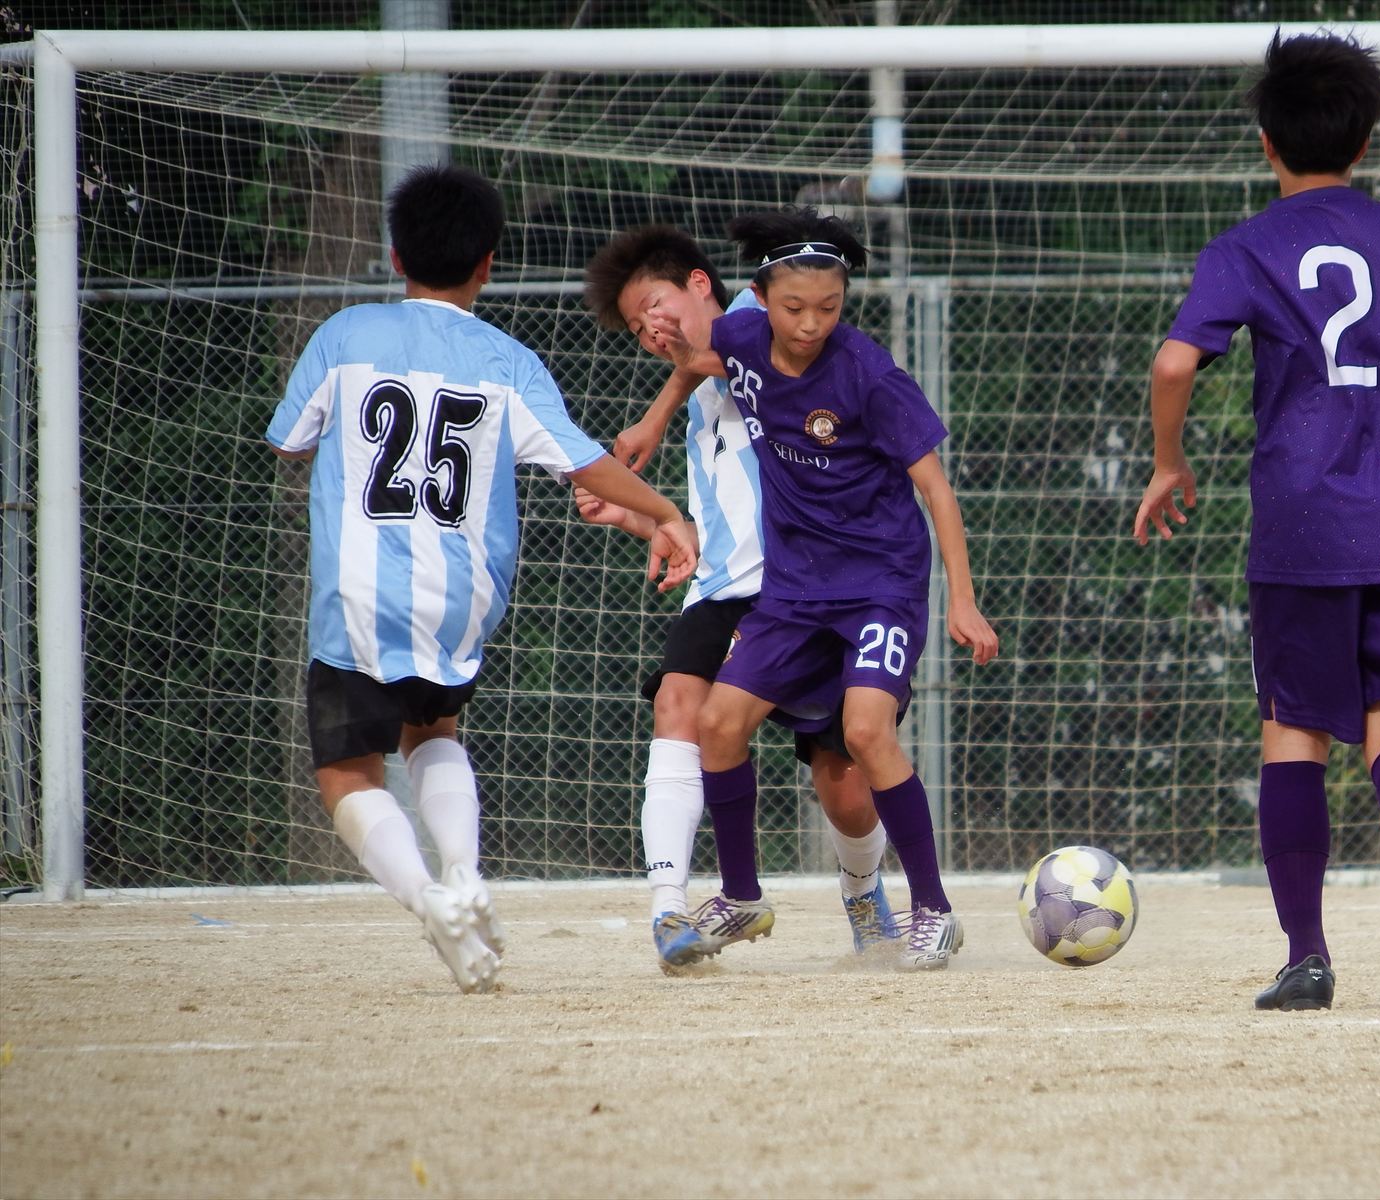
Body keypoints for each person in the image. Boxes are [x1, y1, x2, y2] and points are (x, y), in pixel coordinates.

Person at [1132, 32, 1380, 1011]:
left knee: (1293, 731)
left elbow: (1174, 363)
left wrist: (1169, 461)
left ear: (1267, 142)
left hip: (1305, 526)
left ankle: (1306, 956)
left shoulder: (1249, 245)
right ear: (1365, 139)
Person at [265, 165, 697, 993]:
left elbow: (290, 440)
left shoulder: (344, 334)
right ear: (488, 265)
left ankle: (428, 897)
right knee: (434, 732)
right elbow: (583, 463)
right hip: (459, 597)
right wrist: (665, 511)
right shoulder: (508, 361)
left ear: (396, 256)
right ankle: (463, 872)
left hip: (358, 595)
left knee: (347, 773)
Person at [654, 206, 1000, 972]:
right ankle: (742, 897)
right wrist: (654, 414)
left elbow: (937, 490)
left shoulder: (869, 375)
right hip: (794, 591)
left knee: (866, 734)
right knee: (717, 723)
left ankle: (934, 911)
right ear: (760, 298)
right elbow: (700, 359)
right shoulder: (742, 337)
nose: (811, 323)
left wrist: (962, 599)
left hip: (881, 586)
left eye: (829, 307)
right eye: (794, 308)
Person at [579, 225, 899, 970]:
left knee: (844, 781)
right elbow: (710, 532)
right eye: (636, 328)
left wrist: (655, 411)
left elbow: (718, 352)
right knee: (677, 705)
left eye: (654, 307)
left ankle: (863, 892)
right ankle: (670, 911)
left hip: (808, 589)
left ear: (699, 284)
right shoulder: (701, 404)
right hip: (725, 591)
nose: (650, 331)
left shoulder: (762, 327)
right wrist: (641, 519)